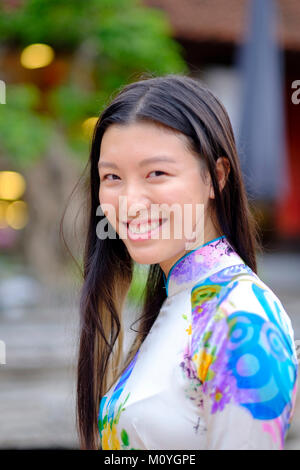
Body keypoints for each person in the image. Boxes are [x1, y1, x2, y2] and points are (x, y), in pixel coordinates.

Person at [76, 74, 298, 450]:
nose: (129, 203)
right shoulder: (179, 302)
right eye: (112, 177)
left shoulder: (240, 318)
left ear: (216, 176)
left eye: (156, 173)